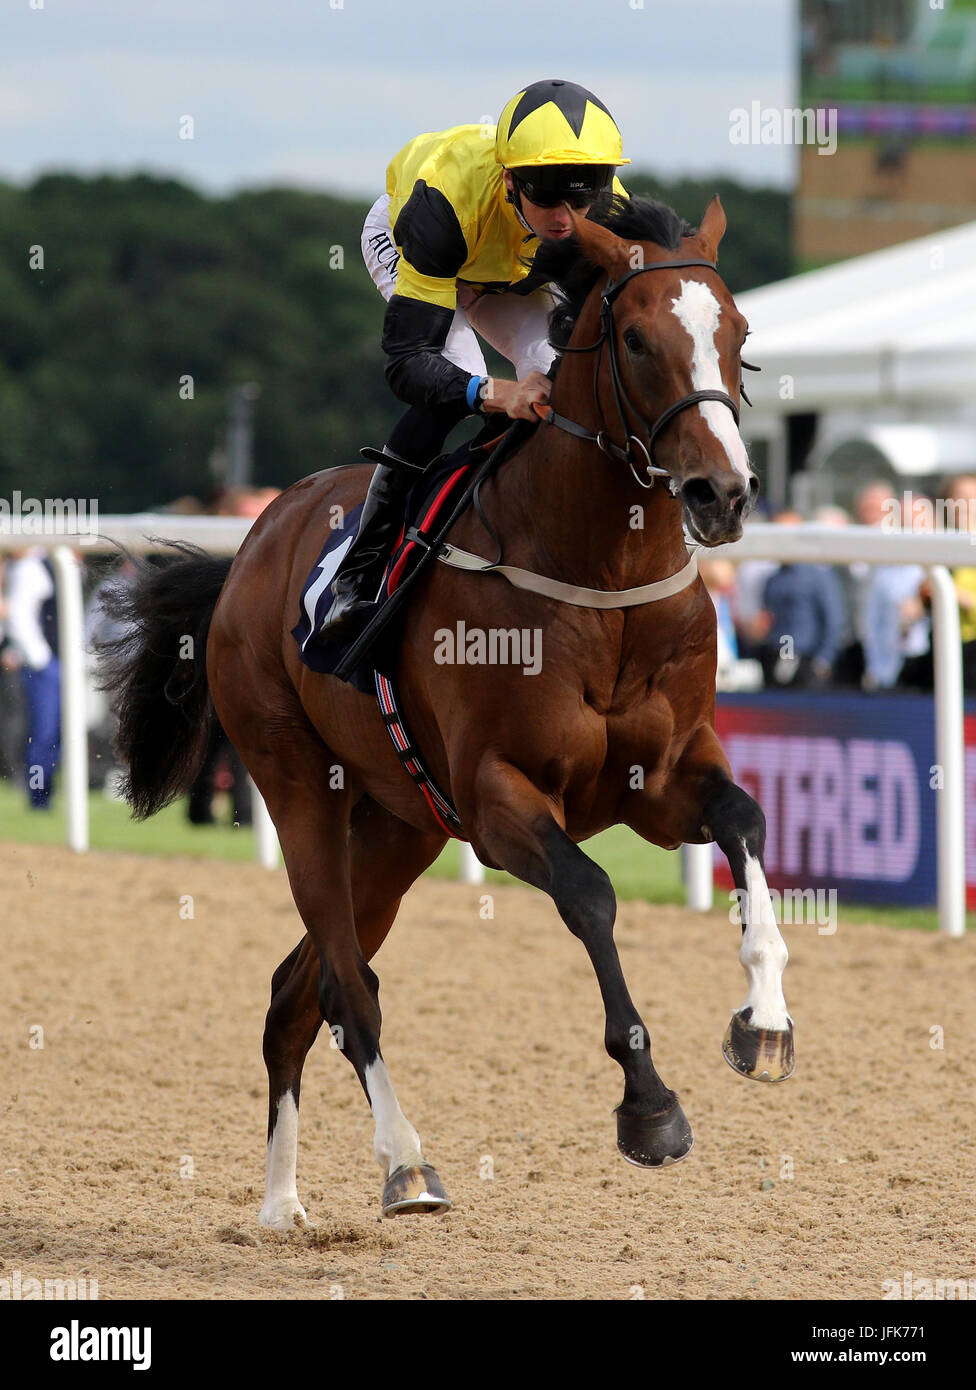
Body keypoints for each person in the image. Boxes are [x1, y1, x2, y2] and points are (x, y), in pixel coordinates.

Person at [319, 78, 630, 641]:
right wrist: (491, 393)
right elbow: (407, 364)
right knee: (456, 392)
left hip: (510, 270)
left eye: (581, 200)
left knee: (565, 380)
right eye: (548, 198)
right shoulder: (445, 200)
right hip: (420, 247)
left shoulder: (607, 212)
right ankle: (358, 574)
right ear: (510, 179)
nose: (565, 219)